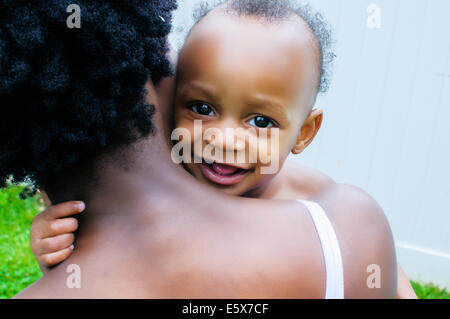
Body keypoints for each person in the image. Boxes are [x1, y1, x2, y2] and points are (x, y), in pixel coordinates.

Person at [2, 0, 397, 298]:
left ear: (305, 132)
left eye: (261, 121)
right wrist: (50, 252)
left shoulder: (309, 193)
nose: (224, 141)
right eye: (202, 109)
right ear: (169, 99)